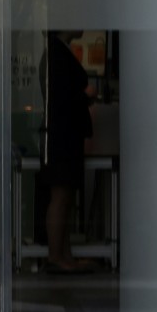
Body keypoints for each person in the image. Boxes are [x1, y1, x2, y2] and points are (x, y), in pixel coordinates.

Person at [39, 30, 96, 273]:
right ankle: (56, 256)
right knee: (61, 195)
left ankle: (64, 254)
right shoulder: (57, 54)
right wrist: (86, 96)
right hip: (63, 137)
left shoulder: (56, 52)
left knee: (65, 196)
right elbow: (62, 100)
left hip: (64, 136)